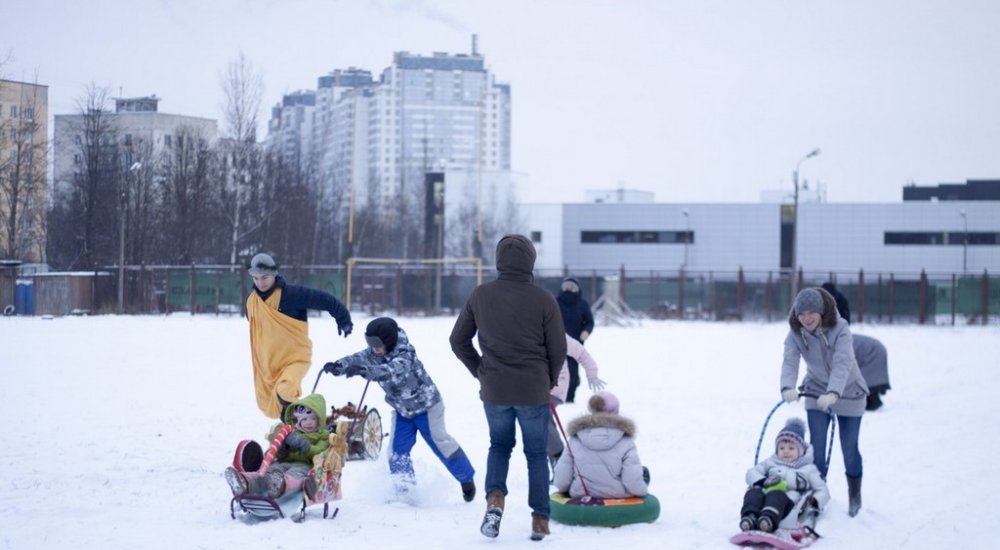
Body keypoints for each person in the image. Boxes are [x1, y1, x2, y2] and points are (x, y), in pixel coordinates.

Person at [449, 234, 567, 541]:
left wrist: (480, 371)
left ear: (500, 260)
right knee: (536, 453)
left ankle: (495, 501)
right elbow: (558, 349)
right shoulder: (544, 299)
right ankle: (540, 519)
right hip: (533, 391)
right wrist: (548, 381)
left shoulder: (480, 295)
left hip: (495, 390)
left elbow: (457, 340)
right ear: (531, 261)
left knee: (499, 446)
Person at [324, 317, 476, 502]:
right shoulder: (376, 352)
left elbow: (390, 369)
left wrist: (365, 371)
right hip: (402, 411)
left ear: (389, 341)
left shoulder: (405, 354)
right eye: (371, 344)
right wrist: (339, 366)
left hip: (427, 406)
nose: (374, 349)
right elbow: (359, 357)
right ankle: (405, 491)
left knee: (440, 442)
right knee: (397, 451)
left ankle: (466, 478)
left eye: (377, 344)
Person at [781, 287, 869, 517]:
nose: (806, 318)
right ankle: (815, 498)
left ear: (821, 312)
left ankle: (855, 497)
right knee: (816, 450)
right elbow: (790, 360)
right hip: (816, 388)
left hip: (849, 391)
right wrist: (787, 387)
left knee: (849, 449)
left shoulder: (841, 329)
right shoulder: (795, 333)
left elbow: (843, 363)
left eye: (811, 312)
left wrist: (834, 393)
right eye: (801, 313)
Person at [245, 252, 353, 419]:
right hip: (268, 365)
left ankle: (300, 426)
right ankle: (292, 431)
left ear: (274, 274)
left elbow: (325, 299)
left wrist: (343, 318)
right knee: (271, 402)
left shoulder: (292, 295)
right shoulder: (252, 302)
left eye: (265, 277)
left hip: (296, 358)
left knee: (285, 390)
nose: (260, 282)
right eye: (256, 278)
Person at [224, 393, 330, 500]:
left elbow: (320, 452)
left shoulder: (323, 436)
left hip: (305, 465)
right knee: (269, 472)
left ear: (319, 420)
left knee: (295, 475)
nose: (309, 423)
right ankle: (245, 482)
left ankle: (281, 486)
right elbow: (281, 456)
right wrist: (284, 447)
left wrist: (303, 445)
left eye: (313, 419)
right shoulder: (293, 432)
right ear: (298, 420)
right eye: (305, 419)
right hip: (284, 463)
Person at [552, 391, 649, 499]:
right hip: (617, 496)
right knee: (643, 471)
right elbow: (632, 481)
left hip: (582, 494)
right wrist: (643, 492)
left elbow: (561, 480)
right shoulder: (625, 441)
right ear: (616, 412)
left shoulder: (576, 439)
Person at [740, 418, 830, 532]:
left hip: (789, 504)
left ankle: (767, 521)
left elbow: (823, 490)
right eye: (781, 448)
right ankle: (750, 517)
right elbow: (751, 472)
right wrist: (762, 481)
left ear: (800, 451)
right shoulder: (771, 462)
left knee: (776, 494)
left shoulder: (808, 469)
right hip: (764, 496)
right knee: (754, 492)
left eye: (791, 448)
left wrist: (815, 501)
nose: (786, 451)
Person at [822, 281, 891, 411]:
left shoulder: (834, 347)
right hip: (870, 348)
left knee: (865, 379)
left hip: (873, 353)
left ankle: (872, 402)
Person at [548, 334, 605, 473]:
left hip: (555, 386)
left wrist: (592, 374)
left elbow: (581, 353)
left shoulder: (556, 334)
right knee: (539, 424)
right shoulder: (524, 330)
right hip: (531, 386)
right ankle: (559, 467)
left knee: (540, 419)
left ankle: (559, 456)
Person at [556, 276, 595, 403]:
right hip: (555, 343)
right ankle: (556, 397)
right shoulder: (554, 302)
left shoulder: (582, 304)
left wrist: (586, 331)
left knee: (572, 374)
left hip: (575, 344)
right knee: (557, 372)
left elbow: (589, 322)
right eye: (566, 287)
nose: (568, 290)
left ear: (577, 290)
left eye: (572, 288)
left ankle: (570, 397)